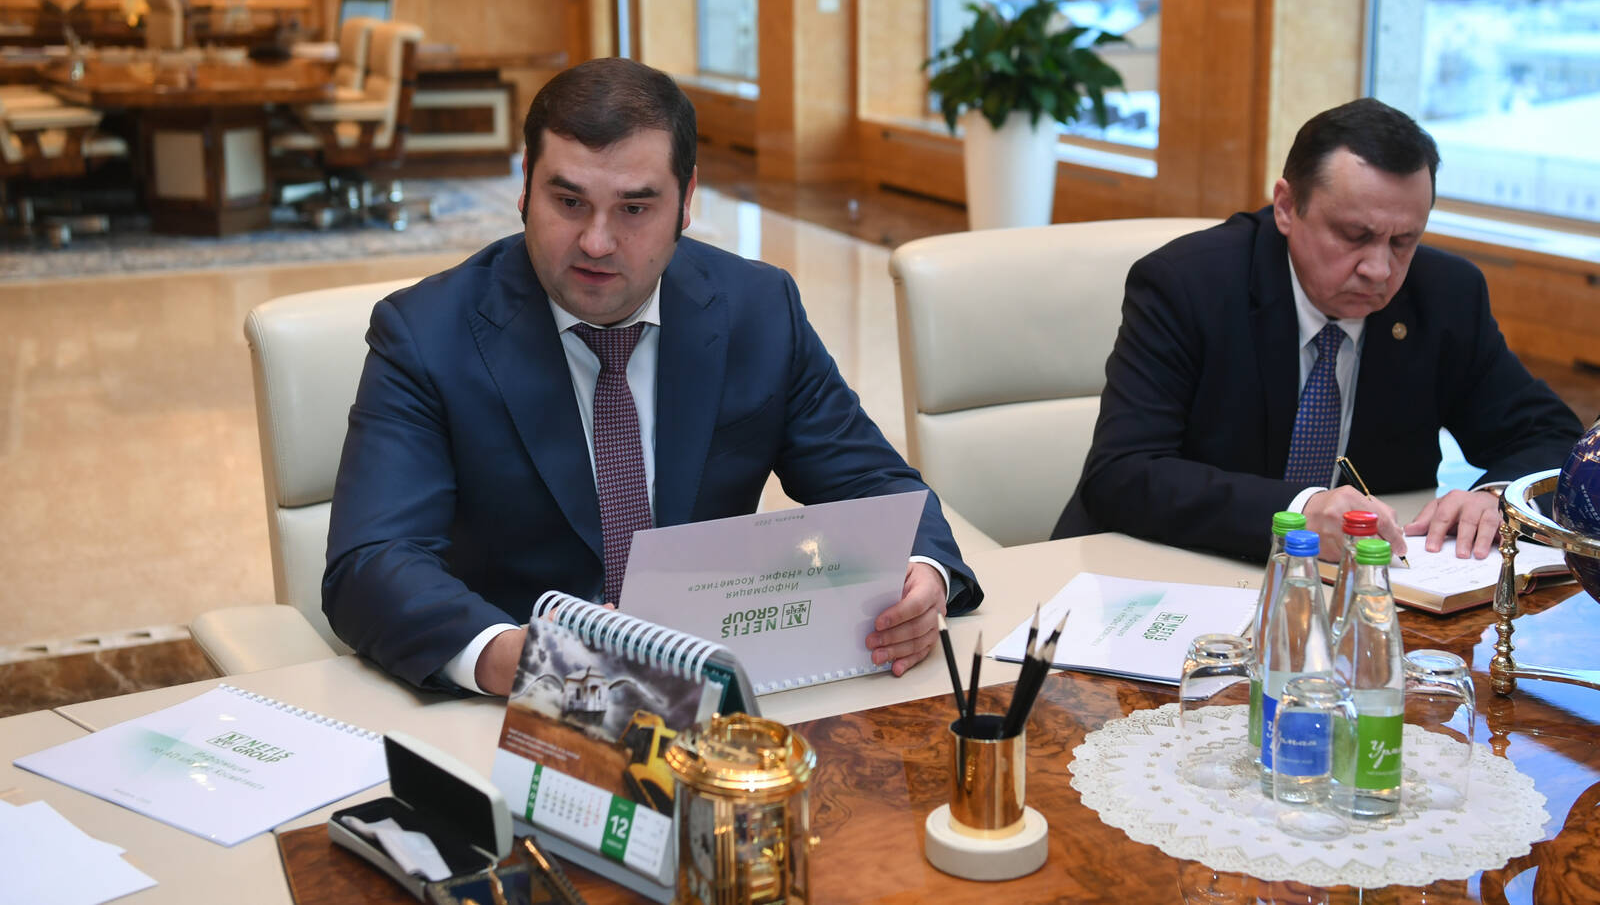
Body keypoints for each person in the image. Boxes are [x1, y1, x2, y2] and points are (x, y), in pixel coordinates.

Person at [324, 58, 982, 694]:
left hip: (716, 691)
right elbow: (372, 561)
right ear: (525, 185)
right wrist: (510, 656)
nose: (596, 242)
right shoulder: (425, 334)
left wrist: (921, 574)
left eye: (634, 209)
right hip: (520, 707)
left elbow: (876, 486)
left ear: (686, 200)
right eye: (569, 201)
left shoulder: (757, 309)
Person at [1052, 97, 1582, 563]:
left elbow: (1552, 437)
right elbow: (1121, 474)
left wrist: (1495, 496)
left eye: (1403, 241)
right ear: (1287, 207)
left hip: (1360, 591)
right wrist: (1298, 512)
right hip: (1162, 572)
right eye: (1354, 234)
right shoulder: (1187, 286)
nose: (1379, 268)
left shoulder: (1445, 295)